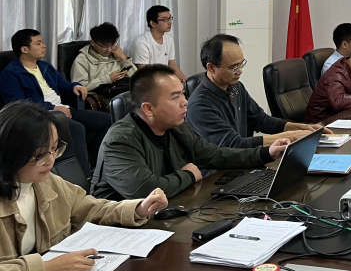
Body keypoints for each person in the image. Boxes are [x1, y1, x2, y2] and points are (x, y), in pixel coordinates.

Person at [0, 102, 168, 271]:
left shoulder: (48, 182)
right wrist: (46, 269)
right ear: (10, 153)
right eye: (40, 155)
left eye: (55, 149)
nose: (51, 160)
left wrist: (139, 208)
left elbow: (92, 208)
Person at [90, 65, 290, 200]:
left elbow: (213, 155)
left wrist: (266, 152)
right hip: (121, 232)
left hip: (170, 209)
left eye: (183, 94)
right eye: (175, 97)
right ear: (148, 109)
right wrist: (189, 174)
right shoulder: (120, 140)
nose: (185, 102)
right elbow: (146, 191)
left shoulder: (175, 125)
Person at [0, 29, 112, 177]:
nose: (44, 46)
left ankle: (98, 167)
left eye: (42, 42)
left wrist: (75, 86)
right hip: (42, 116)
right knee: (76, 128)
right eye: (38, 43)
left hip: (64, 109)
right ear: (24, 49)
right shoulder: (10, 74)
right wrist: (52, 107)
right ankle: (85, 176)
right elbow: (17, 104)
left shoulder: (44, 66)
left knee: (107, 120)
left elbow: (63, 85)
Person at [187, 34, 328, 148]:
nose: (240, 71)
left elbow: (261, 120)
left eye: (241, 64)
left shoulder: (236, 87)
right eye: (233, 67)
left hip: (245, 159)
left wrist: (301, 128)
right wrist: (289, 137)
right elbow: (233, 144)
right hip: (219, 171)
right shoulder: (200, 105)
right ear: (211, 68)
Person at [71, 22, 137, 102]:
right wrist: (108, 79)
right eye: (104, 46)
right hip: (100, 99)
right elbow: (80, 88)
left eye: (112, 45)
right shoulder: (82, 60)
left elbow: (138, 79)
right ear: (93, 43)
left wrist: (124, 58)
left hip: (123, 94)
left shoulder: (117, 55)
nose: (109, 50)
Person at [131, 5, 188, 82]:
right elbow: (145, 73)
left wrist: (188, 82)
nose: (170, 22)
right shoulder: (141, 42)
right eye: (165, 20)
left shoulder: (169, 39)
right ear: (153, 23)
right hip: (148, 83)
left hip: (164, 80)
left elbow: (172, 65)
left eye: (170, 18)